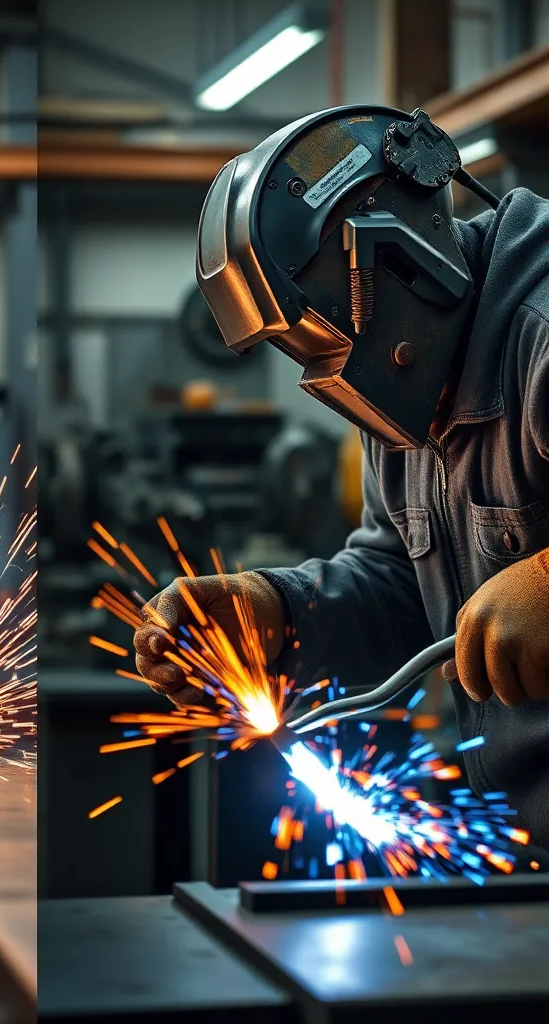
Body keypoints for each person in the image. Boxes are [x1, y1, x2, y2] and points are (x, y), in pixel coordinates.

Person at [134, 104, 549, 851]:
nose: (321, 374)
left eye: (320, 339)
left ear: (393, 261)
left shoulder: (542, 335)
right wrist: (277, 613)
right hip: (526, 838)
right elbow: (398, 581)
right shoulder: (409, 395)